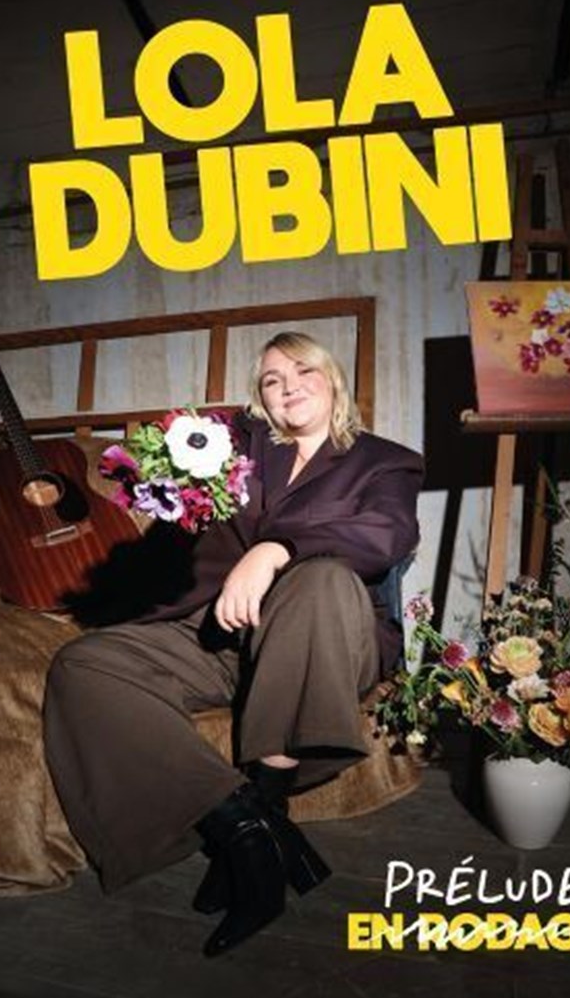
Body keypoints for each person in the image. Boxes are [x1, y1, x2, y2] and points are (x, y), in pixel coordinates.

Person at [44, 331, 423, 957]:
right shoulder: (237, 448)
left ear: (333, 381)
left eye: (303, 371)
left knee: (321, 579)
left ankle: (265, 811)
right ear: (260, 399)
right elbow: (177, 466)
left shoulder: (384, 461)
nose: (288, 387)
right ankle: (249, 829)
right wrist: (165, 468)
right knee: (84, 665)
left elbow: (386, 533)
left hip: (328, 635)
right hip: (229, 634)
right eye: (272, 380)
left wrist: (276, 549)